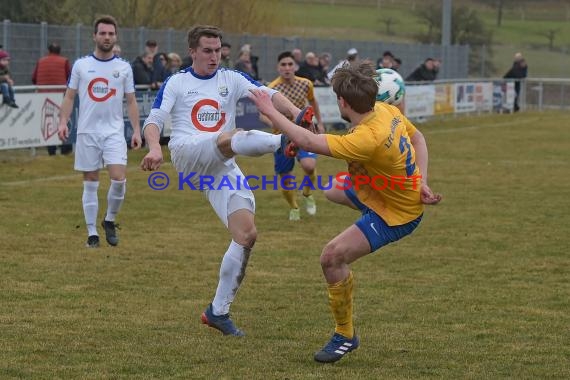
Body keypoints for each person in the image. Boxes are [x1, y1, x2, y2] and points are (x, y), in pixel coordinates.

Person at [249, 61, 441, 363]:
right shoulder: (387, 111)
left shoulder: (366, 138)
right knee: (331, 188)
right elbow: (418, 138)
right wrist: (422, 182)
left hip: (396, 214)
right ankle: (367, 203)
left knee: (331, 257)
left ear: (342, 102)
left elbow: (308, 141)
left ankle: (345, 335)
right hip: (382, 189)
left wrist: (270, 111)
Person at [140, 25, 308, 337]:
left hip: (221, 165)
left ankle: (217, 311)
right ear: (193, 52)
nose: (214, 56)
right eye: (207, 50)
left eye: (218, 50)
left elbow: (268, 96)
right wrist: (153, 147)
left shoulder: (231, 78)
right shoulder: (176, 82)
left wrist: (299, 114)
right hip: (188, 155)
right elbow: (154, 120)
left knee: (246, 235)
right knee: (229, 138)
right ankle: (283, 142)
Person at [57, 15, 142, 248]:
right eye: (102, 33)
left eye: (111, 33)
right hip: (87, 132)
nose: (107, 37)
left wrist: (136, 130)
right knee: (91, 181)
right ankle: (92, 234)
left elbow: (132, 100)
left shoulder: (124, 68)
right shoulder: (81, 65)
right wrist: (63, 122)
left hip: (114, 132)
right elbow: (69, 96)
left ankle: (109, 220)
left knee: (118, 178)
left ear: (116, 37)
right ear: (94, 36)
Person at [264, 51, 325, 221]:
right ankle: (294, 207)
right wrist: (273, 123)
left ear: (295, 66)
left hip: (303, 132)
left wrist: (319, 122)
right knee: (286, 177)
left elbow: (313, 103)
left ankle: (307, 192)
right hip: (281, 138)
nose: (287, 68)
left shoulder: (306, 84)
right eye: (283, 65)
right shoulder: (271, 89)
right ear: (278, 67)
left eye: (290, 64)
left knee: (309, 166)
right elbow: (262, 113)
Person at [32, 42, 73, 155]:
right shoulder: (64, 61)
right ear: (60, 51)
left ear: (49, 51)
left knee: (48, 122)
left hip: (44, 97)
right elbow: (70, 79)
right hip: (61, 96)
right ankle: (65, 147)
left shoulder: (41, 61)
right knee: (64, 120)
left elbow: (34, 78)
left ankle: (51, 149)